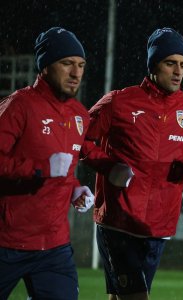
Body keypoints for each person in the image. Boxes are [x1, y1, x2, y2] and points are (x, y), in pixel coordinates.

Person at [81, 27, 183, 300]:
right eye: (170, 63)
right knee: (136, 296)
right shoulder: (119, 102)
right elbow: (79, 141)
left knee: (121, 296)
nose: (178, 71)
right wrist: (109, 166)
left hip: (159, 227)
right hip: (118, 223)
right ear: (153, 64)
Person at [0, 27, 94, 300]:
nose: (76, 73)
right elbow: (46, 165)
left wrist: (76, 188)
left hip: (54, 246)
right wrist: (39, 168)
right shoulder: (18, 106)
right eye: (67, 64)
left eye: (81, 65)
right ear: (45, 67)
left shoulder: (80, 115)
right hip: (7, 243)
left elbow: (62, 169)